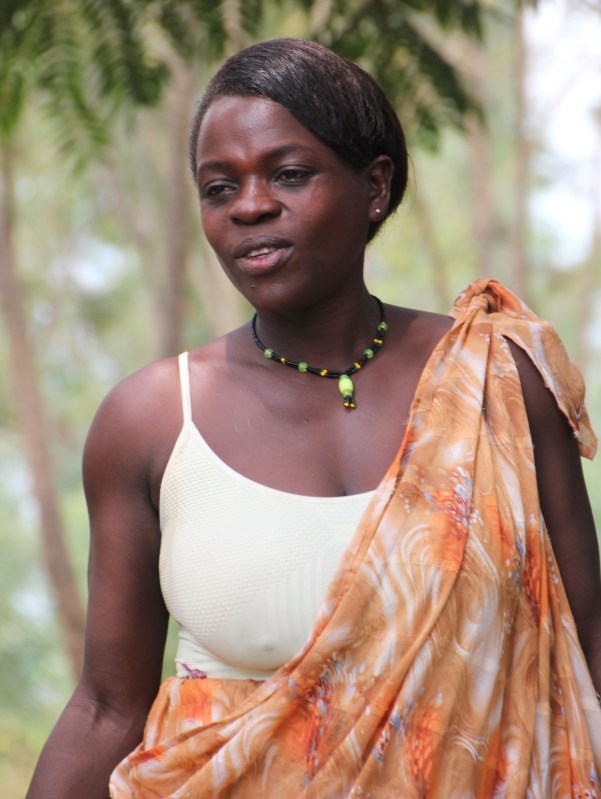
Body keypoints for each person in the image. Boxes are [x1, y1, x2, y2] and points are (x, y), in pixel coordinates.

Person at [27, 38, 601, 799]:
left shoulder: (497, 381)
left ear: (375, 187)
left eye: (289, 174)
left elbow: (585, 648)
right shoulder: (151, 420)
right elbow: (106, 707)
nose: (250, 205)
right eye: (219, 187)